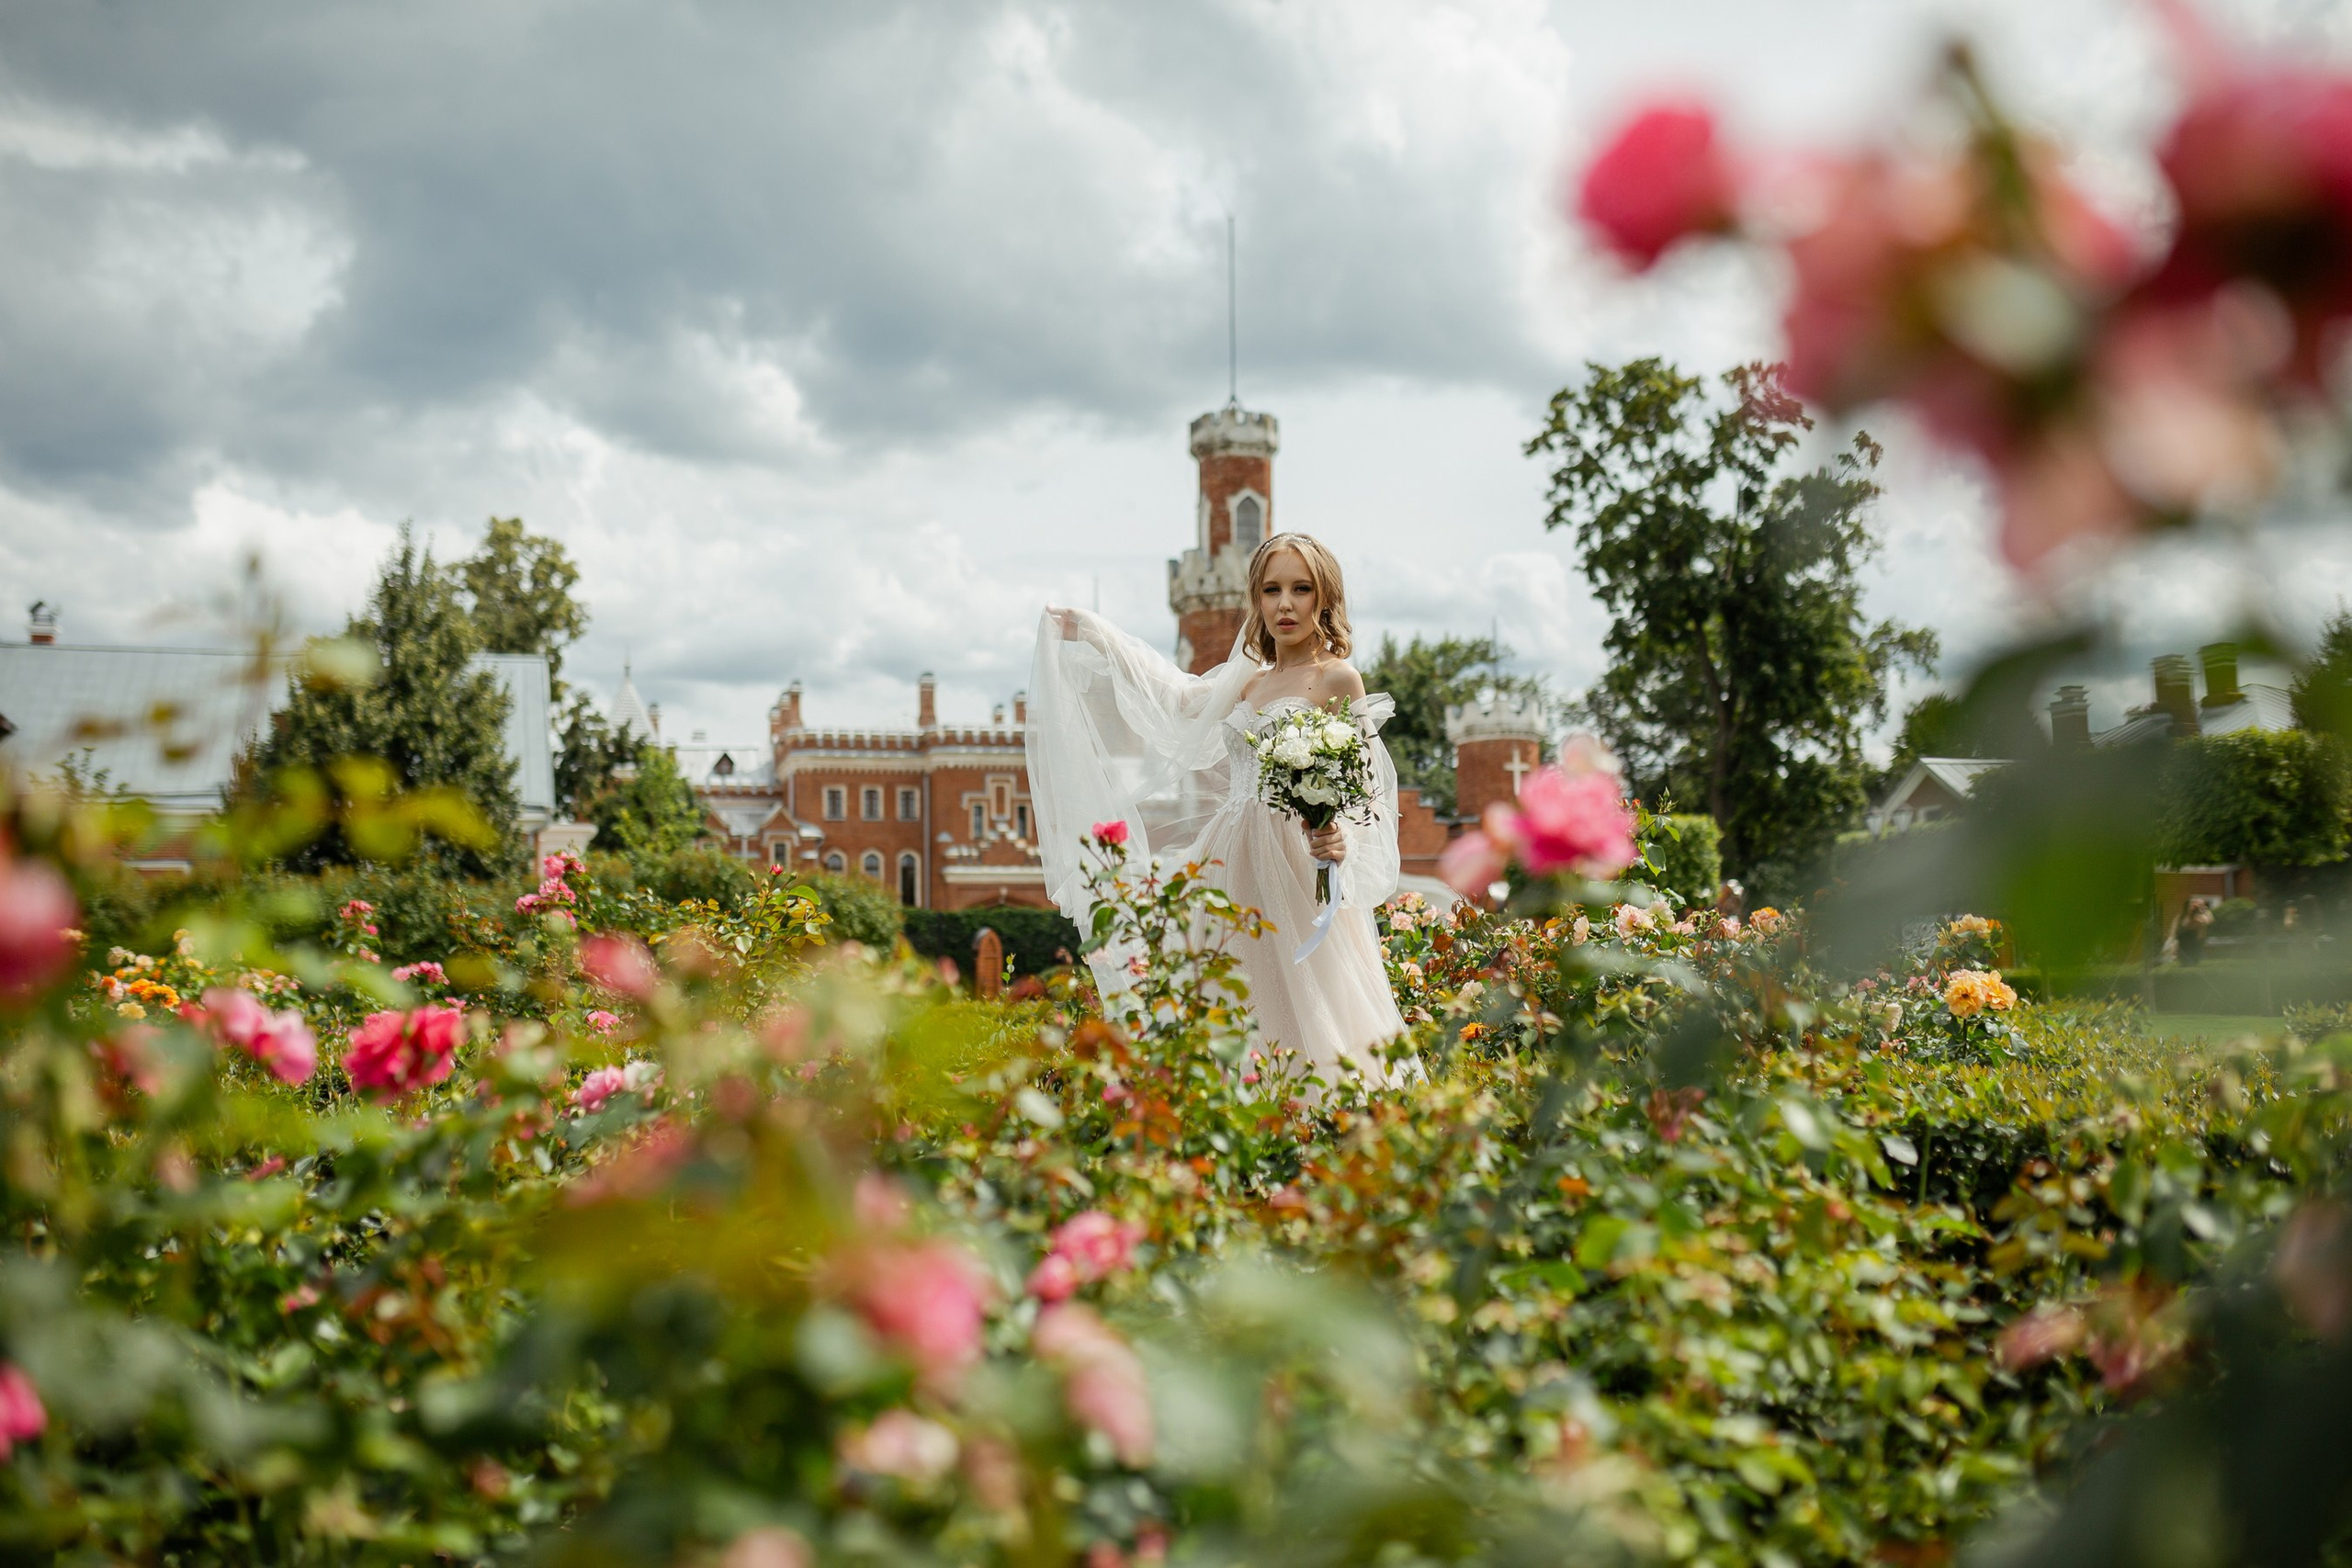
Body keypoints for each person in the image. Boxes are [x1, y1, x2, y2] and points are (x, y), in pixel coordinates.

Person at [1026, 532, 1411, 1089]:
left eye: (1301, 589)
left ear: (1324, 596)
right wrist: (1098, 635)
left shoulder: (1337, 678)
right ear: (1256, 599)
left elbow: (1365, 790)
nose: (1285, 604)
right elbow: (1175, 700)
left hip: (1295, 863)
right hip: (1229, 858)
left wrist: (1340, 838)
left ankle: (1317, 1116)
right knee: (1221, 987)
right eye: (1271, 590)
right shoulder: (1248, 682)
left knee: (1308, 996)